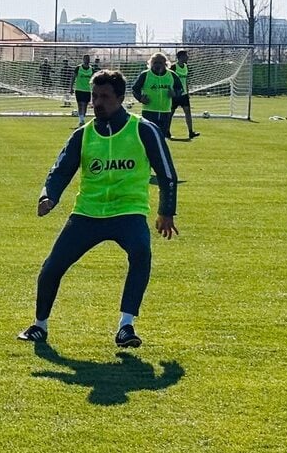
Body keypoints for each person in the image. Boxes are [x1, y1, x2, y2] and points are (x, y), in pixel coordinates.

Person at [17, 70, 179, 349]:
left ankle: (126, 326)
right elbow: (60, 170)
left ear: (120, 98)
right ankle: (39, 326)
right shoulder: (84, 134)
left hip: (128, 212)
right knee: (51, 268)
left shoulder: (143, 130)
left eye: (104, 97)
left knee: (141, 253)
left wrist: (166, 211)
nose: (97, 102)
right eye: (94, 96)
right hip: (87, 214)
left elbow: (167, 174)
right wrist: (49, 196)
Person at [131, 52, 183, 139]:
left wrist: (175, 93)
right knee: (148, 137)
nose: (157, 65)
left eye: (160, 63)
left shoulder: (172, 75)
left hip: (165, 112)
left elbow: (180, 89)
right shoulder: (145, 75)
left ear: (165, 64)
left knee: (161, 137)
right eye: (155, 63)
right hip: (149, 111)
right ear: (151, 63)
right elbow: (135, 89)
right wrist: (140, 98)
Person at [170, 49, 199, 139]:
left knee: (188, 113)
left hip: (184, 95)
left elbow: (185, 80)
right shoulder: (173, 67)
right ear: (180, 57)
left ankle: (191, 132)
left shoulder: (186, 67)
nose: (188, 57)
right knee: (170, 114)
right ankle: (166, 131)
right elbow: (169, 80)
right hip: (175, 95)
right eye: (186, 55)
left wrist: (187, 91)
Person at [70, 54, 94, 126]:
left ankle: (83, 118)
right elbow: (73, 78)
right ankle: (81, 120)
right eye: (86, 58)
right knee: (80, 105)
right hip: (79, 89)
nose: (87, 60)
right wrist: (71, 88)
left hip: (87, 90)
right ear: (83, 59)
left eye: (88, 59)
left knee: (85, 105)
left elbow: (94, 80)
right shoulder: (78, 68)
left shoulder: (92, 69)